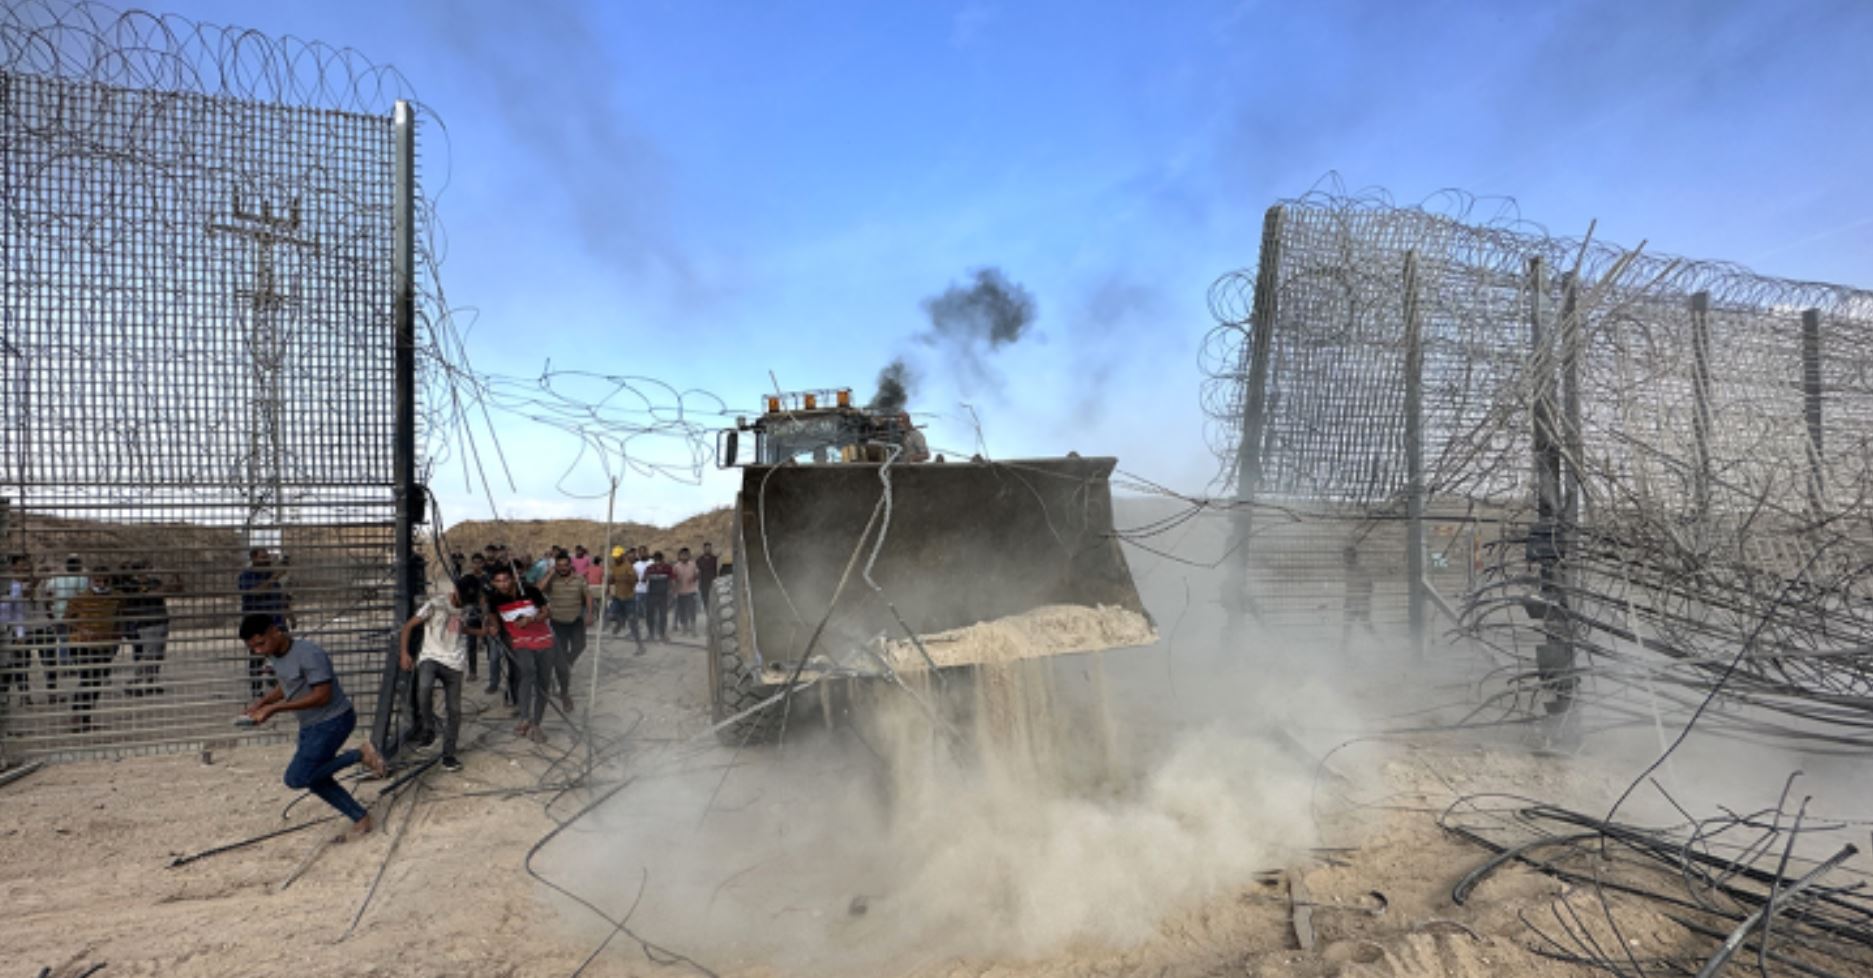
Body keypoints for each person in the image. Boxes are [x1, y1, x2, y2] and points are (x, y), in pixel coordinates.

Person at [241, 614, 387, 840]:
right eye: (253, 648)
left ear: (274, 631)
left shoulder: (309, 653)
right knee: (315, 778)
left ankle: (360, 754)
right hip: (311, 725)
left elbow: (322, 696)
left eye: (261, 644)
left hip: (333, 721)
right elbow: (288, 684)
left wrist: (275, 709)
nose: (259, 651)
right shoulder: (276, 655)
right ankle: (360, 818)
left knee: (297, 778)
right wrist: (262, 703)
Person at [398, 579, 479, 772]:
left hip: (455, 662)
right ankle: (429, 727)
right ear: (455, 591)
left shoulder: (469, 608)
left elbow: (461, 628)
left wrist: (483, 630)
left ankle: (448, 755)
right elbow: (408, 626)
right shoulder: (436, 604)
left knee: (454, 710)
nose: (464, 603)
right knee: (424, 688)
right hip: (431, 656)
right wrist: (404, 653)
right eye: (462, 598)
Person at [486, 566, 553, 741]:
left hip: (543, 639)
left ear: (513, 579)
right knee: (528, 671)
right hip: (518, 641)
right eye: (498, 581)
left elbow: (547, 612)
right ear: (493, 583)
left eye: (506, 580)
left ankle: (536, 724)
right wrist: (493, 625)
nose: (503, 584)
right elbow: (493, 617)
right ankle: (525, 718)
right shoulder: (494, 598)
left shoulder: (530, 591)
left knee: (544, 682)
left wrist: (531, 619)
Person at [64, 569, 122, 733]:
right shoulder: (80, 598)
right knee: (88, 678)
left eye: (105, 581)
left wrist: (117, 635)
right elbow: (67, 619)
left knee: (97, 680)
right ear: (91, 581)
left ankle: (86, 718)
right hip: (81, 644)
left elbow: (120, 616)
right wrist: (82, 630)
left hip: (105, 644)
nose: (101, 585)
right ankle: (77, 715)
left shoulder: (117, 597)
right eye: (98, 581)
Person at [541, 553, 590, 713]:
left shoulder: (579, 579)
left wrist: (589, 613)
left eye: (565, 565)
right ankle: (564, 693)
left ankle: (568, 661)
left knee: (581, 645)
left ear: (571, 565)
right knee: (561, 664)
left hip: (575, 620)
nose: (562, 568)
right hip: (557, 623)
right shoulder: (552, 579)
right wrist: (549, 573)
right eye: (559, 565)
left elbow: (588, 596)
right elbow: (538, 589)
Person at [239, 549, 289, 700]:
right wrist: (274, 577)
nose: (267, 559)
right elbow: (254, 593)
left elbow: (281, 596)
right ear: (253, 558)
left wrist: (290, 615)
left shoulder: (271, 574)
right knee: (257, 658)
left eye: (267, 556)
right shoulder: (246, 576)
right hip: (256, 623)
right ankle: (257, 690)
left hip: (276, 622)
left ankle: (278, 685)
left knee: (283, 655)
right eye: (263, 557)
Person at [121, 561, 170, 697]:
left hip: (161, 621)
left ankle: (150, 682)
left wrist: (174, 576)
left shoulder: (155, 581)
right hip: (147, 624)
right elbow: (153, 594)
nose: (151, 570)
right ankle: (136, 683)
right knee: (149, 654)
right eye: (148, 568)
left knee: (158, 654)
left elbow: (171, 590)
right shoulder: (133, 585)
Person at [47, 556, 86, 678]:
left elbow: (48, 592)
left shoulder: (57, 579)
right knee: (74, 640)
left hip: (58, 614)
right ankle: (73, 665)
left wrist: (50, 610)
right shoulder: (82, 579)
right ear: (79, 566)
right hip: (75, 615)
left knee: (63, 640)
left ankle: (65, 666)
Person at [1339, 545, 1375, 654]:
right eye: (1344, 556)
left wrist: (1364, 600)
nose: (1344, 559)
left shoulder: (1361, 569)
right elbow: (1349, 587)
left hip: (1361, 603)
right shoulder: (1347, 570)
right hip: (1351, 603)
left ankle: (1380, 645)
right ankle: (1343, 651)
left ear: (1353, 557)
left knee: (1367, 626)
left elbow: (1370, 585)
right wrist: (1347, 601)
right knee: (1347, 628)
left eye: (1347, 556)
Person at [1, 556, 27, 705]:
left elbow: (18, 612)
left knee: (7, 665)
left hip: (6, 631)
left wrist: (20, 634)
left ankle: (4, 695)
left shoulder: (15, 586)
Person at [643, 551, 674, 642]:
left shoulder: (667, 568)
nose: (657, 562)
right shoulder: (649, 568)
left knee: (663, 616)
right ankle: (651, 634)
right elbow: (644, 579)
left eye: (659, 560)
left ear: (662, 560)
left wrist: (671, 592)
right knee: (650, 615)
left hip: (663, 596)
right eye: (656, 560)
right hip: (651, 595)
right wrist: (646, 577)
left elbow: (671, 580)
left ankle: (662, 634)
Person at [672, 548, 701, 637]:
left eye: (686, 555)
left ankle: (693, 630)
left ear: (689, 555)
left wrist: (694, 577)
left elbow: (697, 575)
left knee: (692, 611)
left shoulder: (693, 565)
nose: (684, 556)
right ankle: (684, 629)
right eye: (682, 555)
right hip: (680, 592)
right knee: (682, 611)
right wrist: (675, 585)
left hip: (691, 591)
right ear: (679, 556)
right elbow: (673, 579)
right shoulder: (676, 566)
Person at [696, 543, 720, 611]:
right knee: (705, 600)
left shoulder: (715, 559)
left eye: (709, 548)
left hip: (713, 583)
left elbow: (717, 570)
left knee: (714, 600)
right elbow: (698, 572)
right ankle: (708, 614)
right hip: (703, 584)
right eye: (706, 548)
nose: (708, 550)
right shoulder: (699, 560)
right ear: (704, 549)